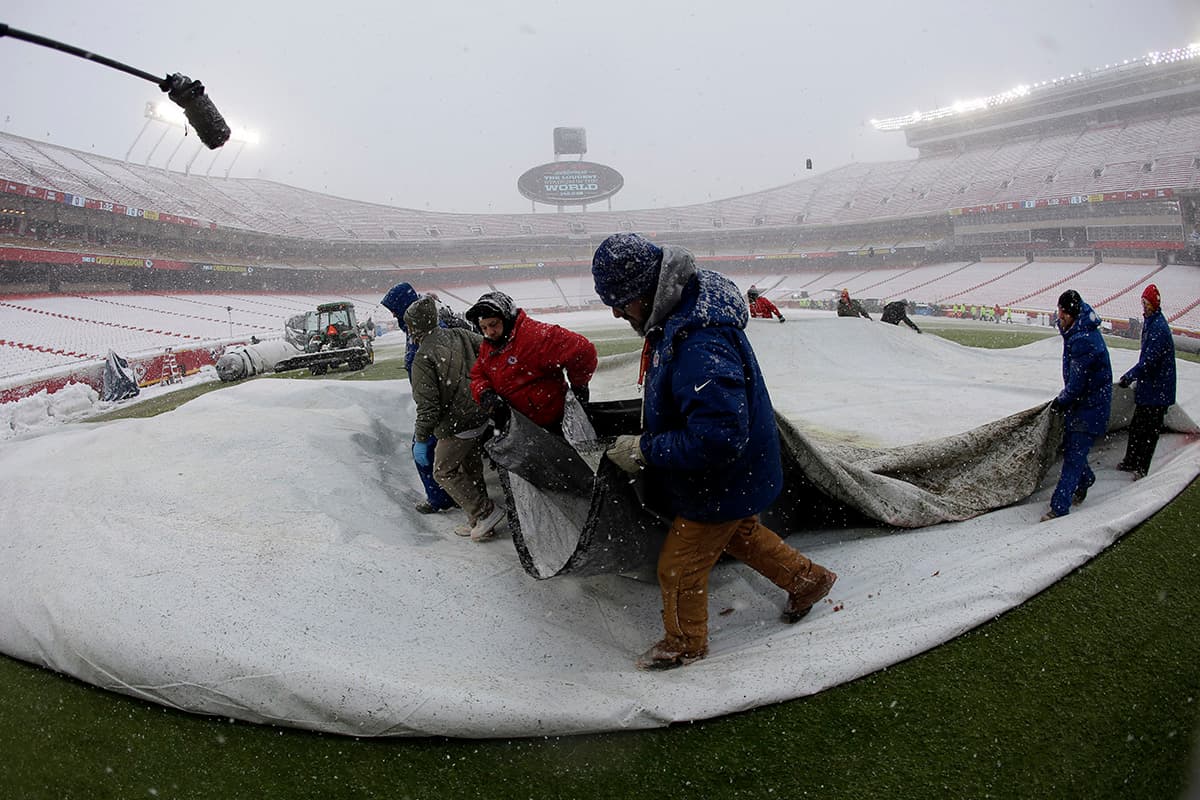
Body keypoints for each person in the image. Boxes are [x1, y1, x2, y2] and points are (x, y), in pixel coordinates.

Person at [590, 232, 837, 671]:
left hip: (720, 479)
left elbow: (718, 437)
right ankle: (808, 579)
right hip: (732, 475)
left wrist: (646, 449)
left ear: (649, 290)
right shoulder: (683, 315)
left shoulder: (699, 342)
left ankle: (684, 643)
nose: (616, 311)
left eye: (622, 300)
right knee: (742, 534)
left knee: (678, 568)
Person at [404, 297, 506, 542]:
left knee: (443, 471)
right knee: (470, 467)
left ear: (414, 326)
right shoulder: (460, 334)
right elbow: (490, 348)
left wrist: (421, 438)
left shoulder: (423, 357)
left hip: (457, 424)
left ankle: (484, 513)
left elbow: (428, 408)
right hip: (481, 413)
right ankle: (478, 521)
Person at [380, 282, 463, 514]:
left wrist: (429, 418)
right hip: (434, 403)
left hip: (440, 405)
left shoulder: (430, 331)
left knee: (425, 452)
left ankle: (445, 499)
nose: (393, 314)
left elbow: (441, 373)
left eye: (394, 308)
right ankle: (450, 496)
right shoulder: (413, 329)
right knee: (434, 455)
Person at [467, 291, 597, 432]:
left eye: (493, 324)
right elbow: (478, 375)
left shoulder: (536, 336)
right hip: (518, 426)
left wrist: (579, 386)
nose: (489, 332)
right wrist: (485, 394)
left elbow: (583, 350)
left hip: (551, 425)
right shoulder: (490, 344)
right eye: (484, 327)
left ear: (507, 318)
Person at [1042, 289, 1112, 522]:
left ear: (1071, 313)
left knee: (1073, 455)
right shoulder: (1078, 329)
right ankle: (1086, 479)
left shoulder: (1084, 341)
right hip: (1085, 403)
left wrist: (1062, 401)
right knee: (1072, 447)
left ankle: (1059, 507)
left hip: (1089, 406)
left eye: (1062, 312)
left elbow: (1077, 383)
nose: (1059, 316)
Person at [1117, 284, 1177, 480]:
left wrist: (1130, 376)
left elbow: (1149, 362)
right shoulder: (1152, 322)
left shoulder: (1158, 328)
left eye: (1146, 303)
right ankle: (1131, 460)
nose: (1143, 306)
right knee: (1138, 427)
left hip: (1157, 390)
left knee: (1148, 431)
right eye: (1143, 302)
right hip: (1150, 388)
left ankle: (1141, 467)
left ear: (1154, 304)